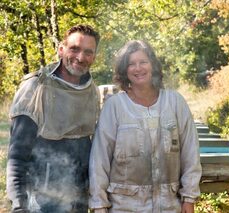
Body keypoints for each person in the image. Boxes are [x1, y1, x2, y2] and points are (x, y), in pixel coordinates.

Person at [89, 40, 202, 213]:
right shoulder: (114, 107)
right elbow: (99, 159)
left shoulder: (175, 102)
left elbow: (190, 153)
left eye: (143, 62)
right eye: (131, 64)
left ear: (153, 66)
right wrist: (99, 205)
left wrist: (189, 197)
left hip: (170, 206)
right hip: (124, 207)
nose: (138, 68)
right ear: (124, 71)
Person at [6, 24, 100, 213]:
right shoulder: (36, 88)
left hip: (79, 201)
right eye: (74, 49)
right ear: (61, 50)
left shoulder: (92, 92)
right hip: (42, 203)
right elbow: (17, 156)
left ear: (94, 57)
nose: (80, 57)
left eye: (88, 52)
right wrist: (18, 206)